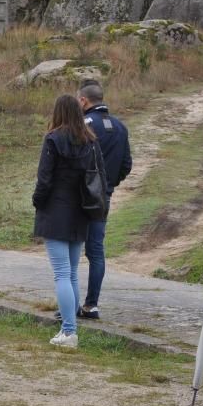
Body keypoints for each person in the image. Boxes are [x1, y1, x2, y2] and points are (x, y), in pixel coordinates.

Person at [34, 94, 106, 349]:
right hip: (80, 212)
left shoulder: (53, 139)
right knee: (72, 273)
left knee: (62, 274)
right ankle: (71, 326)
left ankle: (68, 330)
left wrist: (38, 202)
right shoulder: (90, 141)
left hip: (55, 211)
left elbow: (44, 179)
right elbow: (100, 177)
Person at [77, 81, 131, 319]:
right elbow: (127, 165)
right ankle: (92, 304)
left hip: (79, 197)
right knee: (96, 251)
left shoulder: (83, 125)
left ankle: (67, 306)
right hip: (103, 197)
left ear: (83, 101)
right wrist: (108, 185)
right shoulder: (120, 127)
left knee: (70, 250)